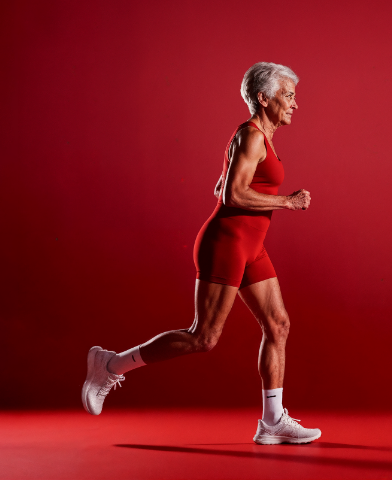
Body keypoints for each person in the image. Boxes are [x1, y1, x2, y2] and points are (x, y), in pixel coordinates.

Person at [82, 62, 320, 445]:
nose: (295, 103)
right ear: (264, 98)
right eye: (288, 95)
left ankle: (272, 421)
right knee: (203, 338)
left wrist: (232, 182)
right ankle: (109, 365)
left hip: (251, 246)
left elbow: (226, 185)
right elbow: (231, 196)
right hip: (226, 244)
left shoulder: (260, 137)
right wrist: (287, 202)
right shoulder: (253, 135)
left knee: (278, 324)